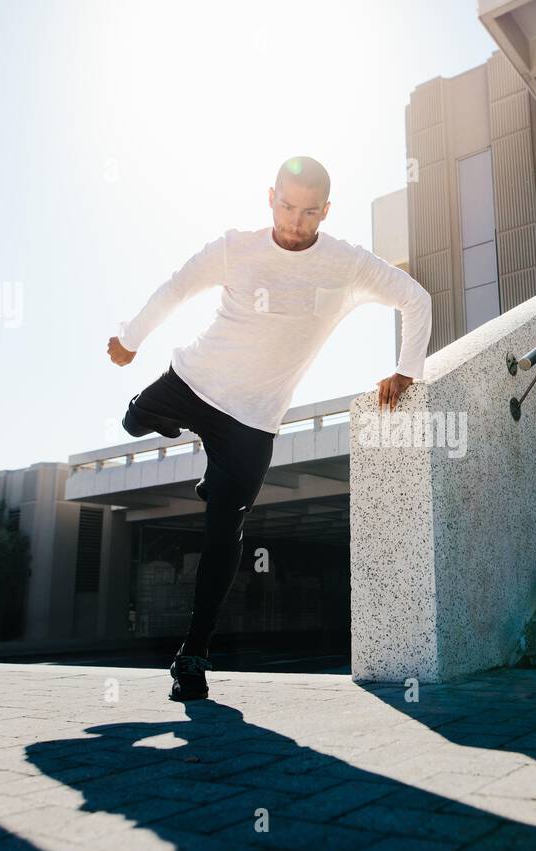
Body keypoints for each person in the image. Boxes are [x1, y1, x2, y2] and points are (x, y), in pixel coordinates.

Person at [106, 156, 433, 701]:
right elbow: (177, 287)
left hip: (253, 422)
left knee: (223, 534)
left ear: (326, 211)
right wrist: (131, 338)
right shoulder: (237, 247)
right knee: (134, 419)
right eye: (286, 205)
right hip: (193, 382)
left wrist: (408, 369)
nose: (295, 221)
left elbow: (414, 297)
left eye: (309, 212)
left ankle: (193, 656)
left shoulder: (347, 264)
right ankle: (163, 420)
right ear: (270, 197)